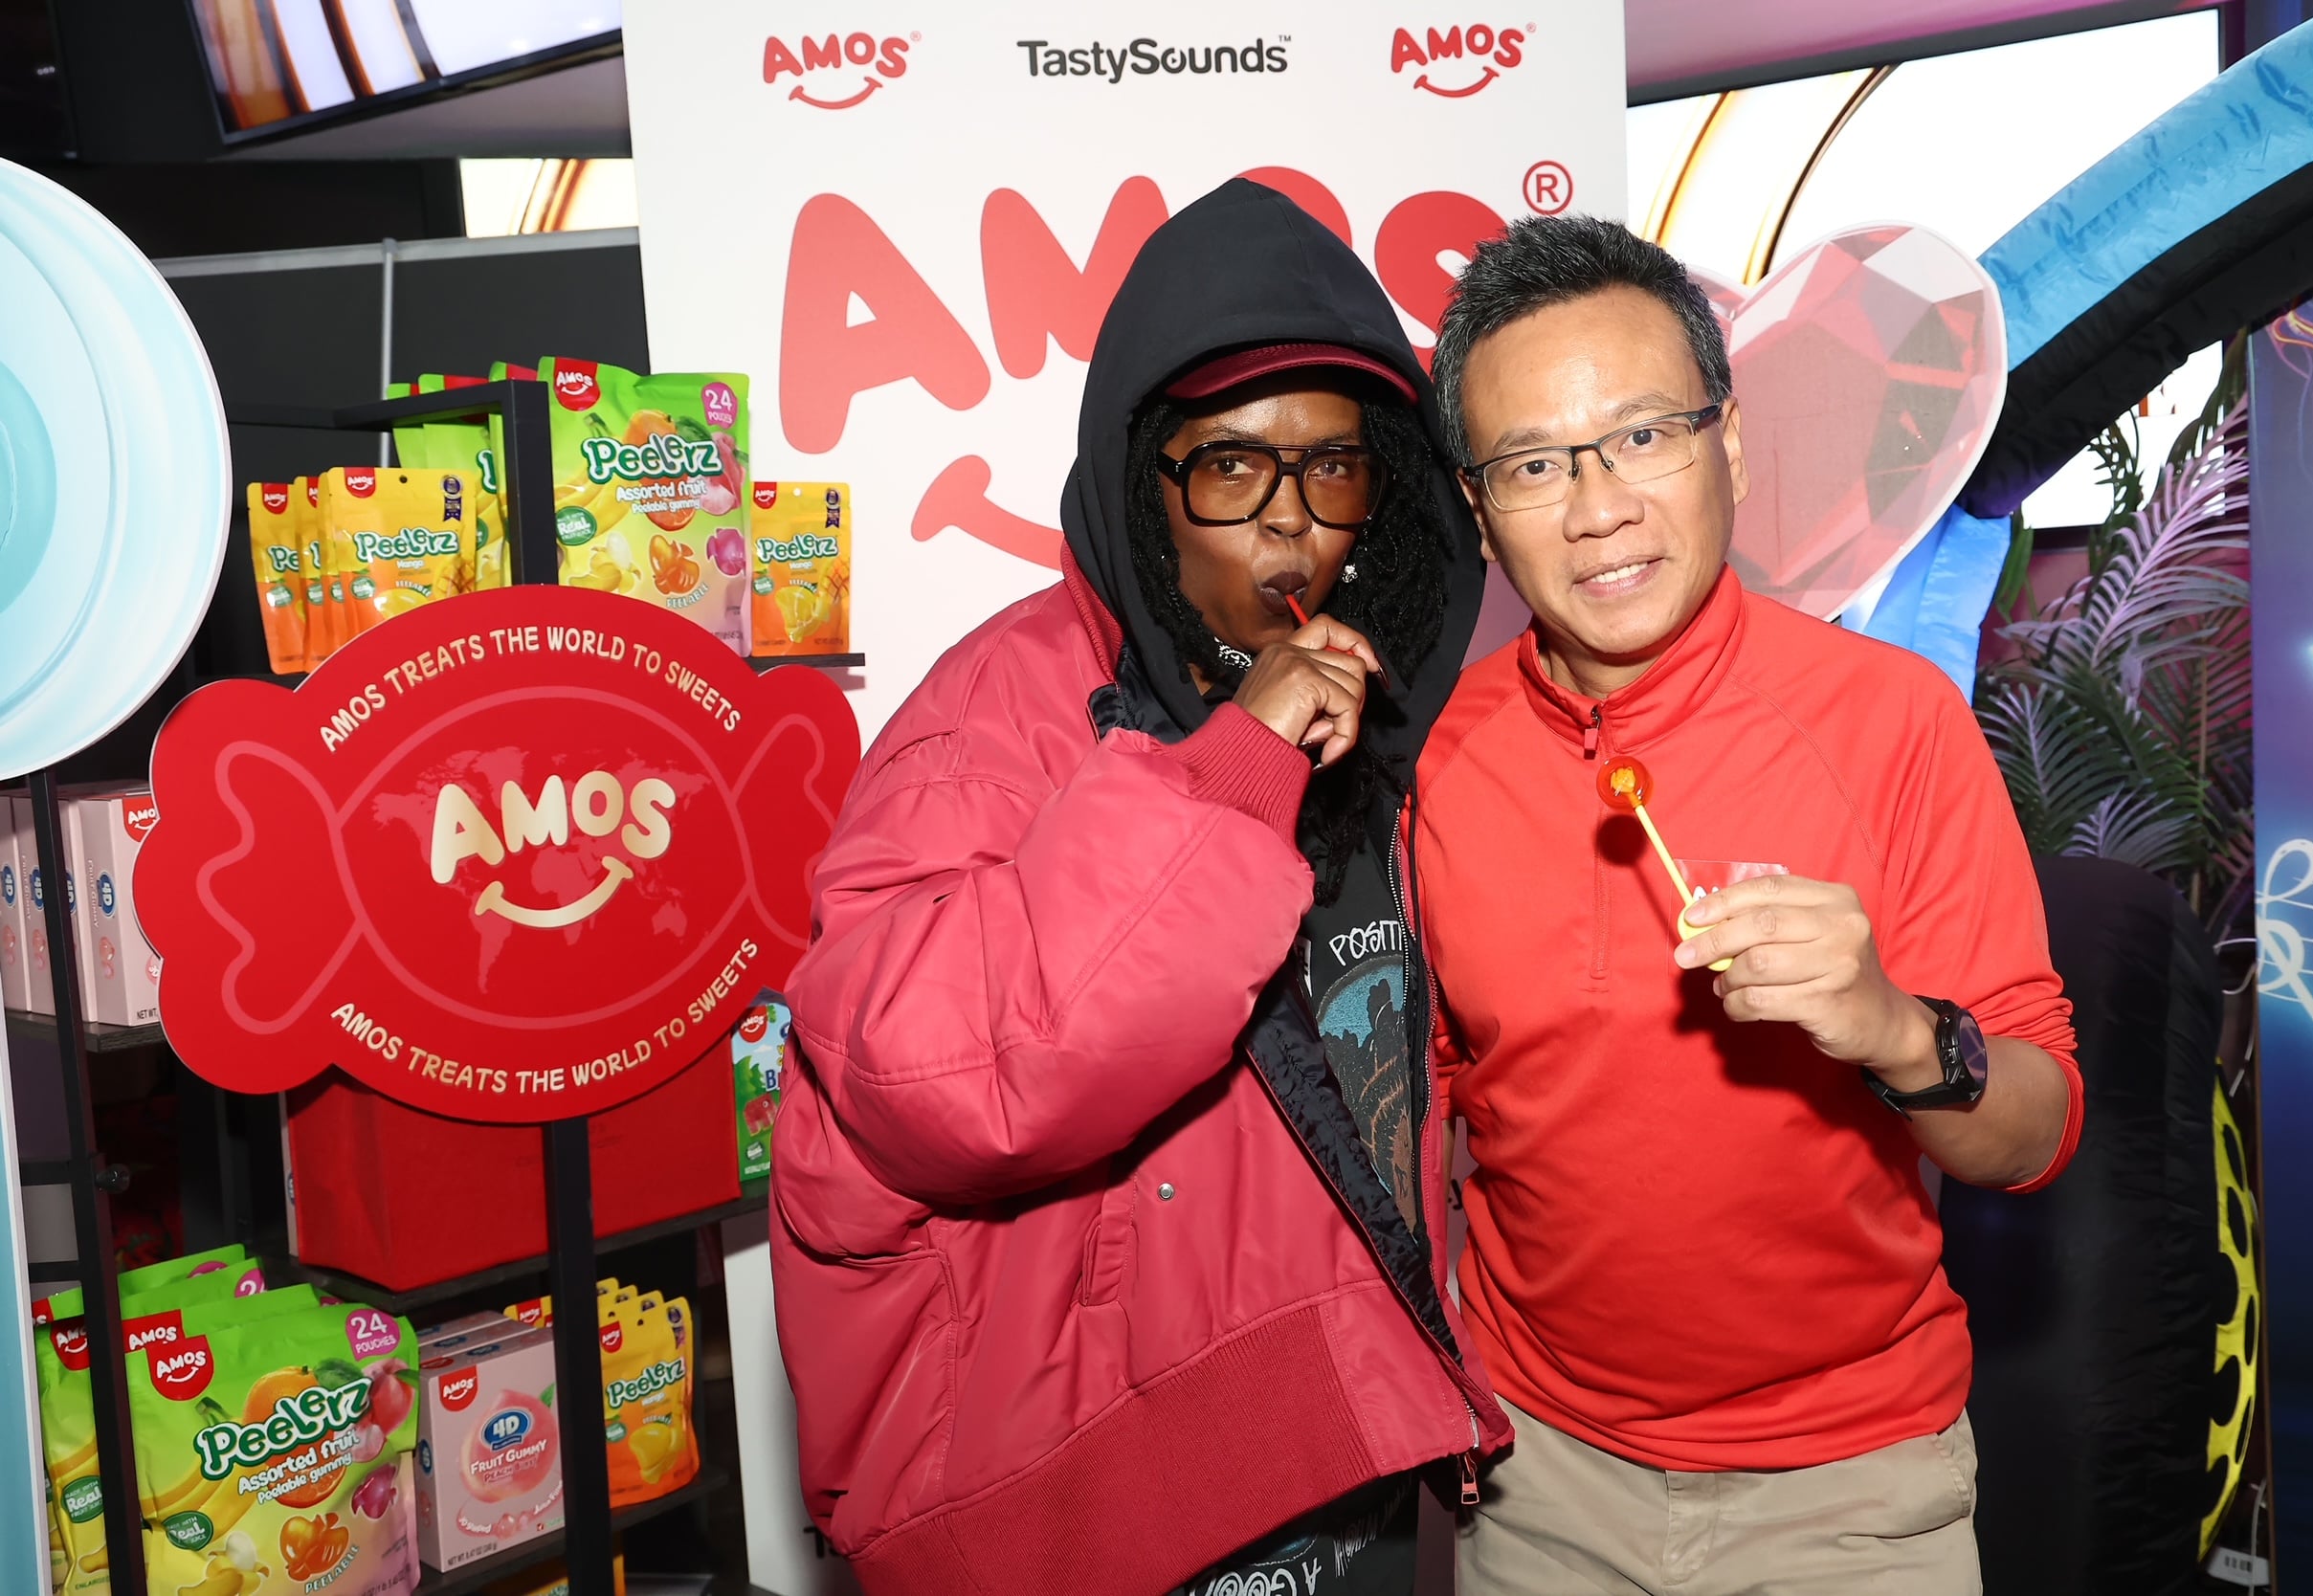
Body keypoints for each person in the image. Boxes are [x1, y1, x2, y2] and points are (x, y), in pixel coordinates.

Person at [770, 178, 1505, 1596]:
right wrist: (1233, 774)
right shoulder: (997, 716)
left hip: (1344, 1445)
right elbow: (938, 1081)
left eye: (1333, 469)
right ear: (1142, 484)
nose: (1290, 529)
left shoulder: (1387, 706)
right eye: (1230, 469)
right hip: (1096, 1503)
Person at [1413, 214, 2081, 1595]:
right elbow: (1416, 1119)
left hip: (1852, 1491)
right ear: (1478, 510)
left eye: (1644, 435)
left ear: (1728, 443)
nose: (1599, 508)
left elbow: (2033, 1134)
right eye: (1535, 464)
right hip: (1540, 1486)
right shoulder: (1434, 762)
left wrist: (1895, 1029)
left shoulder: (1893, 720)